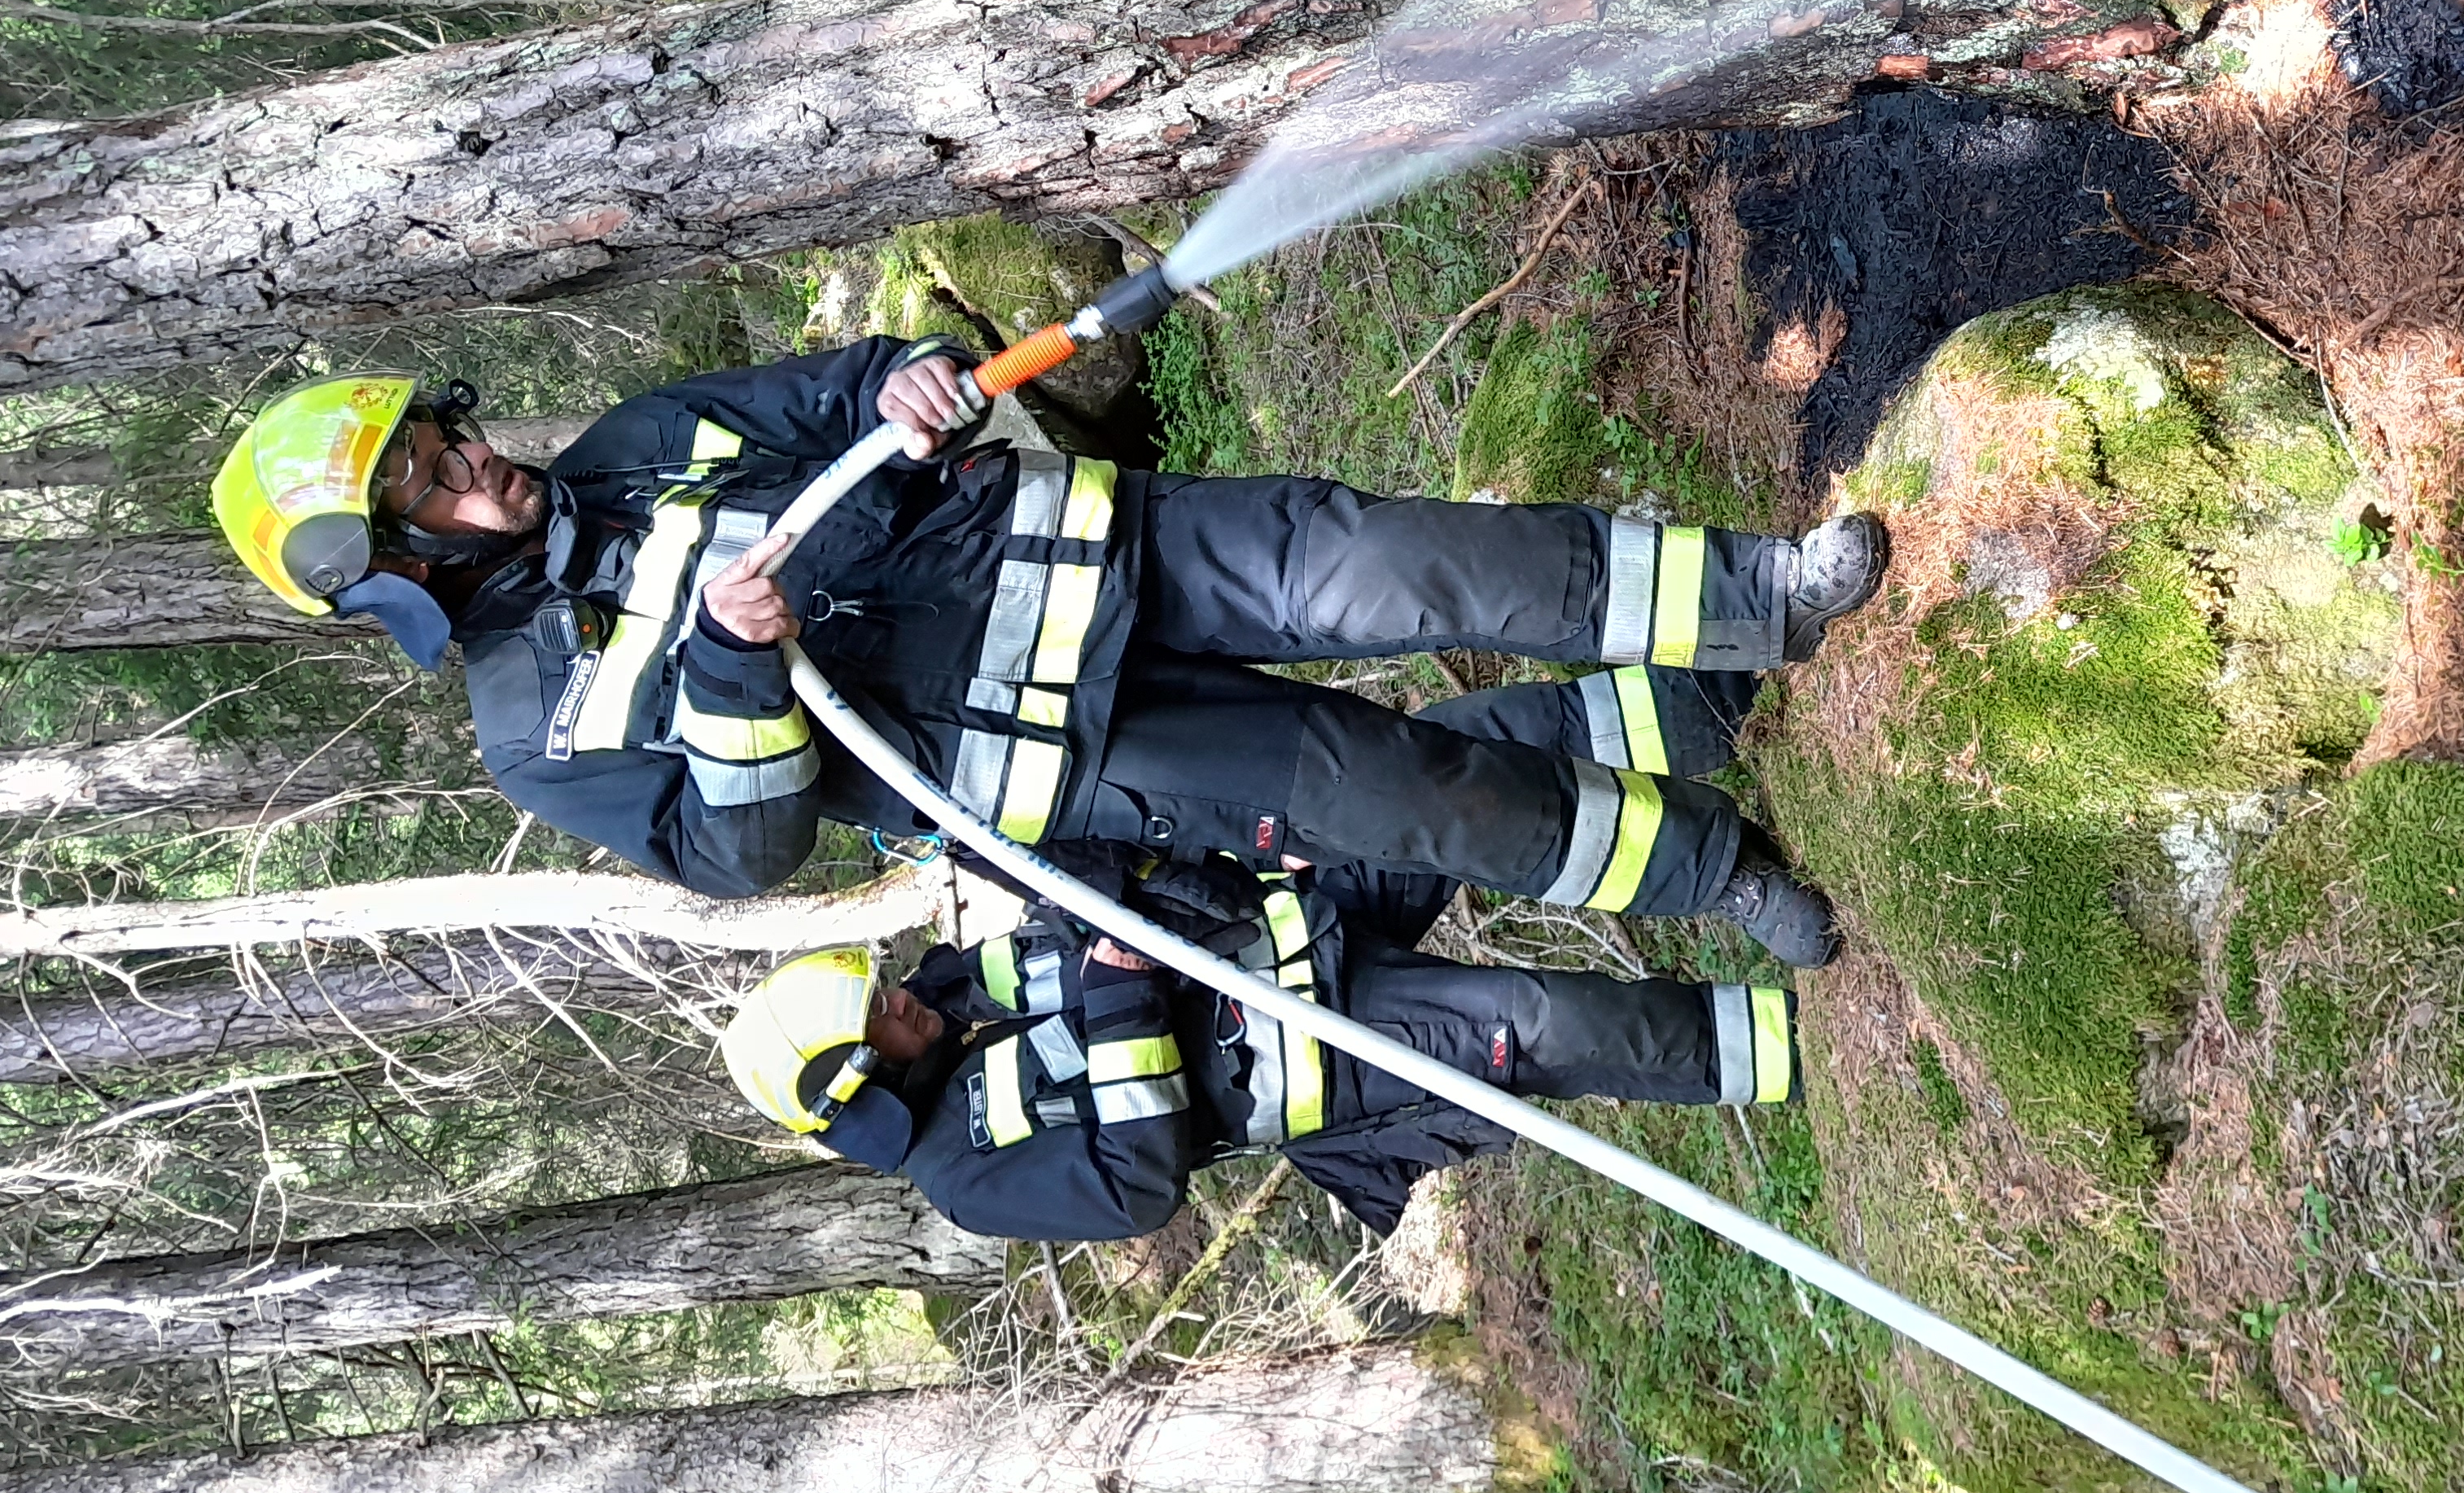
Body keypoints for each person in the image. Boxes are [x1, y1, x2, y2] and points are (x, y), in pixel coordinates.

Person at [211, 339, 1881, 963]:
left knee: (1419, 562)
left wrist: (898, 385)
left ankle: (1763, 595)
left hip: (1104, 553)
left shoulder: (644, 438)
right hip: (1076, 762)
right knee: (1423, 803)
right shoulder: (538, 731)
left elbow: (829, 395)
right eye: (437, 480)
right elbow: (738, 851)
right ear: (399, 565)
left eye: (448, 436)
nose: (479, 465)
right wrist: (730, 675)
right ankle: (1715, 874)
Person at [720, 857, 1796, 1240]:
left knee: (1450, 777)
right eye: (883, 1018)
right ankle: (1790, 1049)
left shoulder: (952, 1013)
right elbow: (1133, 1189)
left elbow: (1048, 940)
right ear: (873, 1083)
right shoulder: (967, 1179)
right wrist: (1120, 1008)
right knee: (1548, 1020)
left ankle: (1708, 708)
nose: (900, 997)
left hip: (1290, 925)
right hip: (1328, 1056)